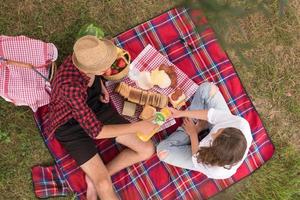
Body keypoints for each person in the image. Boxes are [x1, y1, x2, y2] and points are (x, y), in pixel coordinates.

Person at [45, 35, 158, 200]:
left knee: (147, 149)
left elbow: (95, 73)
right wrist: (137, 126)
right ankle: (99, 179)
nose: (109, 67)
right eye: (106, 67)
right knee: (104, 185)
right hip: (69, 126)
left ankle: (96, 176)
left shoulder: (84, 56)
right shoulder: (69, 87)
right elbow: (96, 132)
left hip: (93, 107)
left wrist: (101, 86)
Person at [156, 82, 253, 179]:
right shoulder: (240, 124)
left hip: (200, 153)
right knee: (207, 88)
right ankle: (195, 123)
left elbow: (196, 155)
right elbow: (211, 115)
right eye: (219, 130)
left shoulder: (214, 169)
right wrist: (180, 113)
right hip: (214, 138)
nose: (213, 133)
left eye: (212, 138)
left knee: (162, 152)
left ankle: (193, 126)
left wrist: (194, 132)